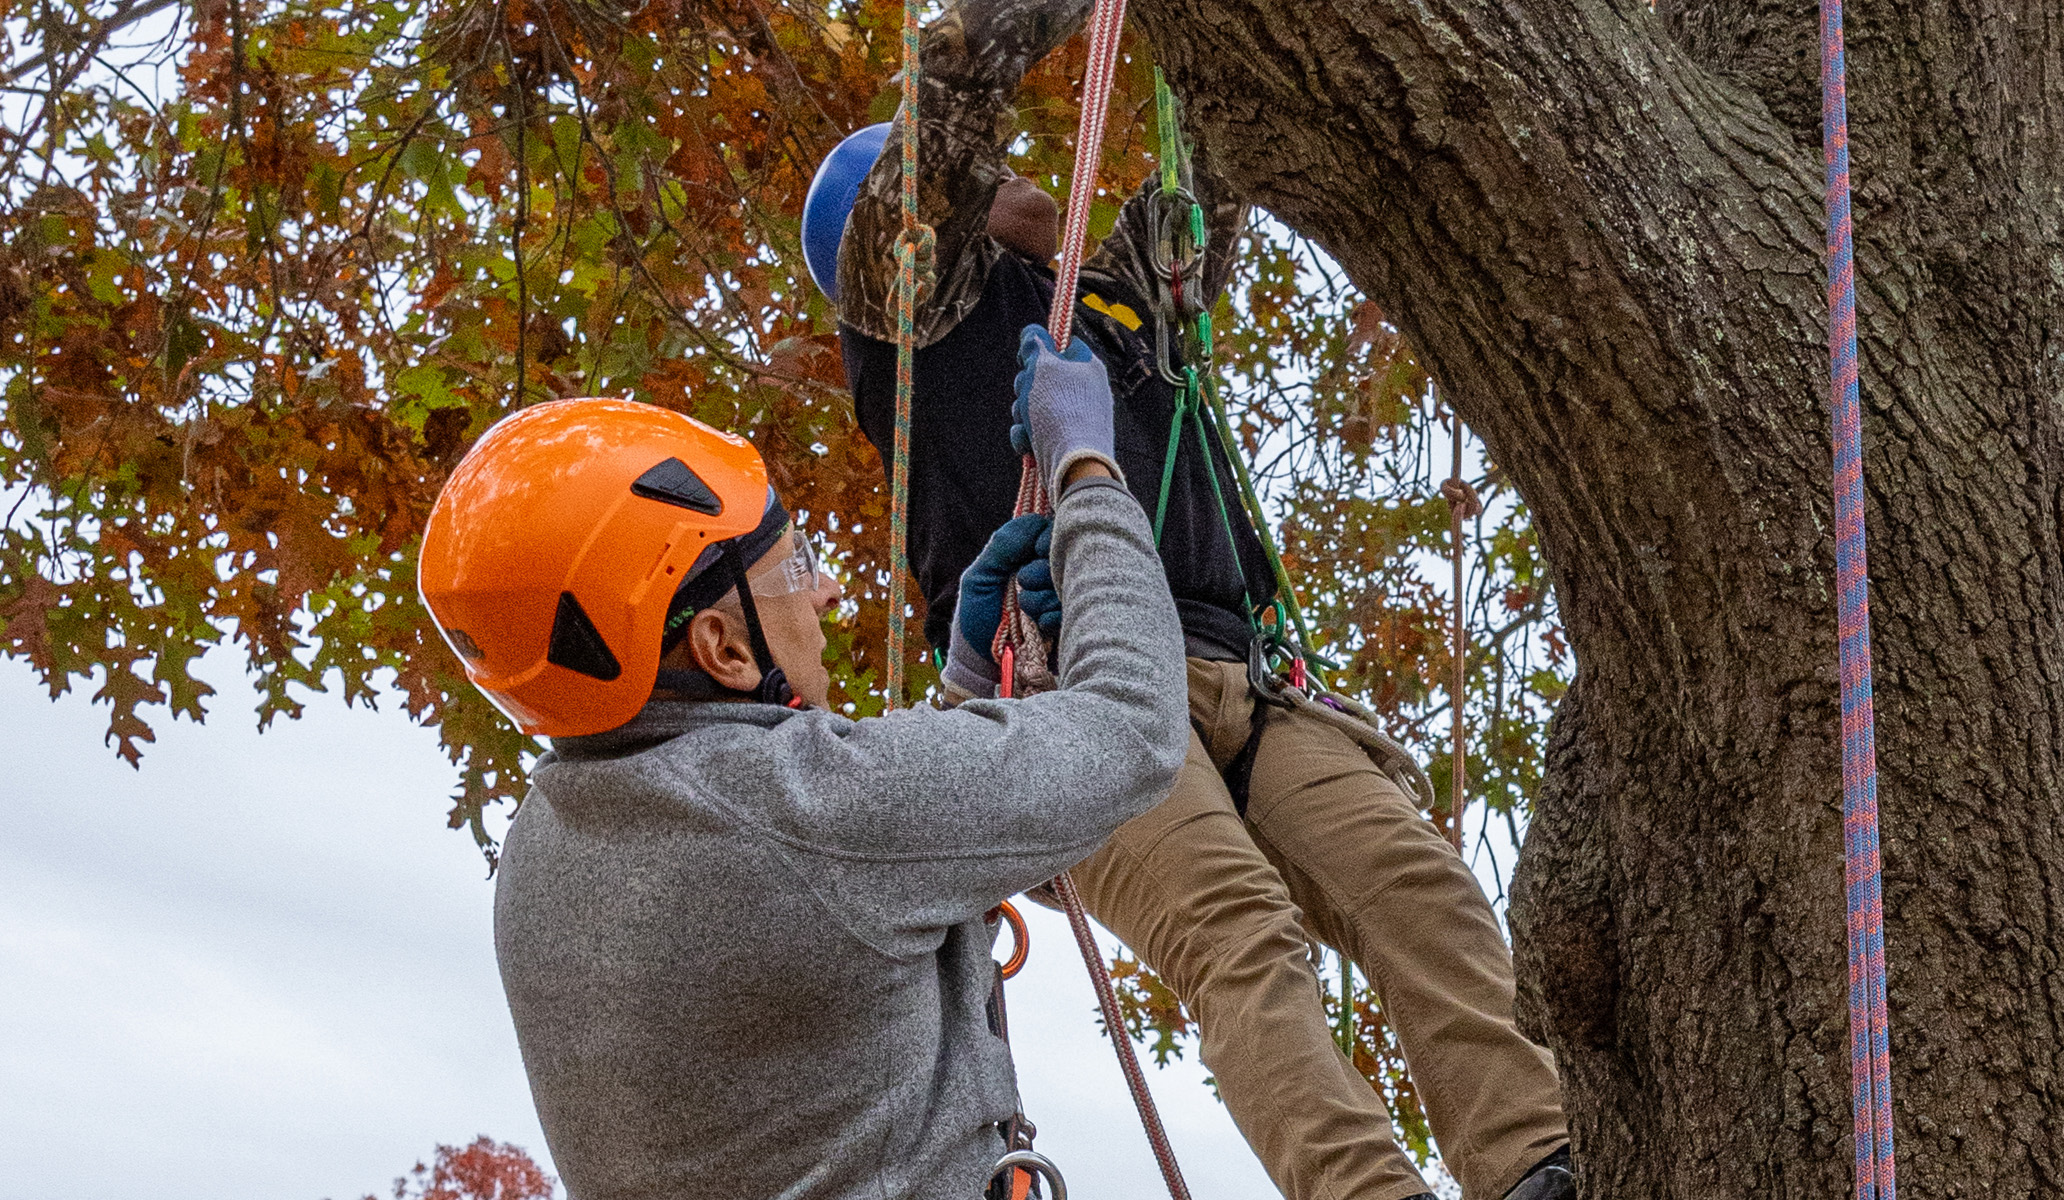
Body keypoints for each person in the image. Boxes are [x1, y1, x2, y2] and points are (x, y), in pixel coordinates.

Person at [810, 5, 1579, 1199]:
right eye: (992, 185)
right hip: (1074, 693)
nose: (1022, 191)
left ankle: (1538, 1158)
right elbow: (946, 133)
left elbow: (1212, 165)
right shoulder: (910, 326)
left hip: (1242, 675)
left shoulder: (1115, 301)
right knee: (1238, 934)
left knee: (1416, 888)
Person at [434, 357, 1178, 1198]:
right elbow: (1133, 726)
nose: (824, 590)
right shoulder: (800, 812)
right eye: (794, 567)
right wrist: (1088, 467)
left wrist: (967, 683)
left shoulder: (542, 848)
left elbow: (829, 928)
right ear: (724, 647)